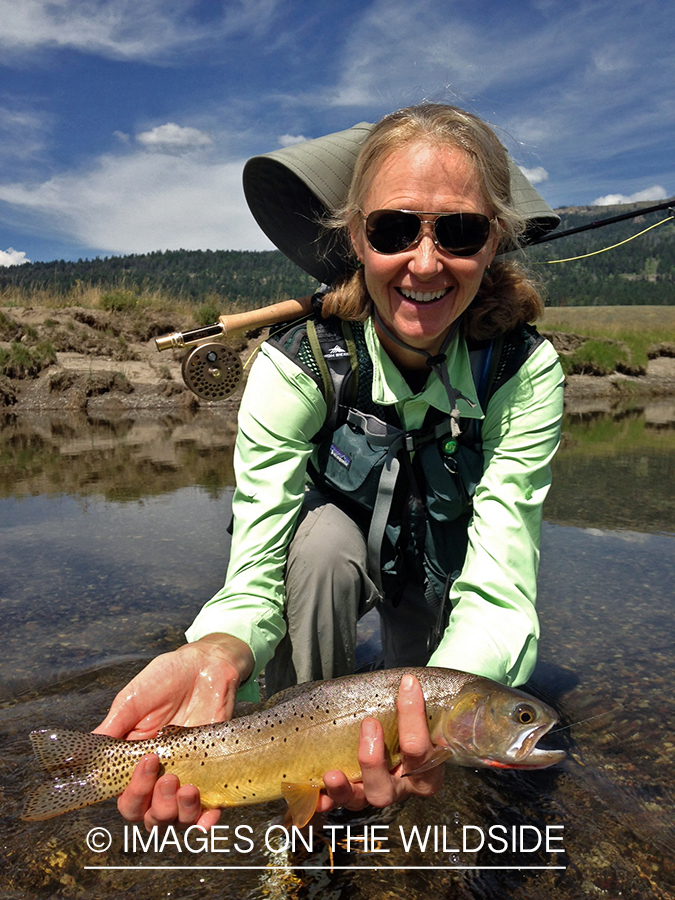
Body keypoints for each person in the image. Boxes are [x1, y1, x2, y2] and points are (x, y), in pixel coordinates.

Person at [95, 103, 564, 832]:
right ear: (356, 237)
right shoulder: (297, 363)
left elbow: (499, 577)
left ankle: (395, 831)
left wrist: (437, 707)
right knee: (317, 545)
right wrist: (218, 648)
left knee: (418, 754)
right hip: (332, 563)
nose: (426, 262)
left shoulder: (523, 370)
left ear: (493, 241)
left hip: (446, 565)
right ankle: (302, 811)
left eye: (461, 231)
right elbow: (255, 565)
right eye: (393, 229)